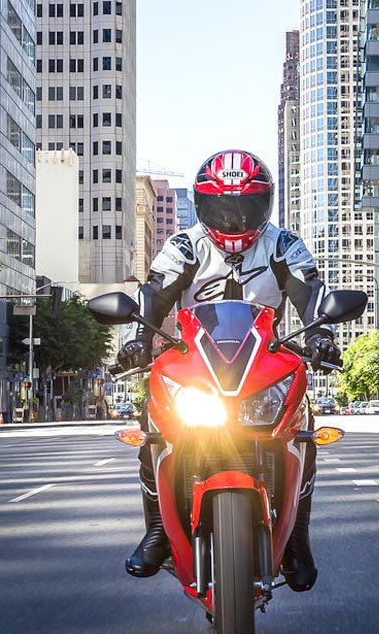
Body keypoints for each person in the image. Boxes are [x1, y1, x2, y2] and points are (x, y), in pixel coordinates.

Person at [118, 150, 339, 591]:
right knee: (152, 426)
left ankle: (297, 538)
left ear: (266, 204)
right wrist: (139, 340)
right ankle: (159, 529)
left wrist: (320, 335)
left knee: (304, 430)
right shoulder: (184, 245)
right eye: (224, 206)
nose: (236, 216)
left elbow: (309, 292)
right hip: (194, 357)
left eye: (247, 205)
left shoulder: (282, 244)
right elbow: (156, 292)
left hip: (265, 355)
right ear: (203, 205)